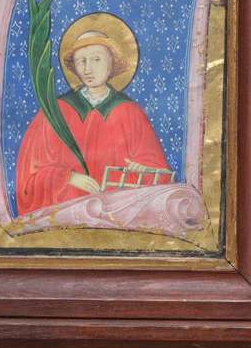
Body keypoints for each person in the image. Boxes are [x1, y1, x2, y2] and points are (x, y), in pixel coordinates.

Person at [15, 20, 170, 215]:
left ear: (112, 62)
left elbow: (158, 171)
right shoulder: (56, 112)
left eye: (96, 59)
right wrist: (68, 177)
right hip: (67, 215)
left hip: (117, 215)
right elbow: (29, 176)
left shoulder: (130, 112)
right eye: (81, 61)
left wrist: (142, 170)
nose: (88, 69)